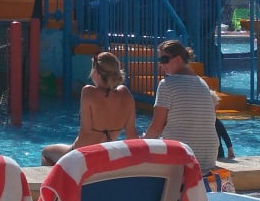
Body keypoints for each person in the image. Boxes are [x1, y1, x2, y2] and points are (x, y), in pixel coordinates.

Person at [41, 51, 138, 165]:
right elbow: (131, 133)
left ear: (97, 73)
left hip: (82, 154)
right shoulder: (125, 94)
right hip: (105, 154)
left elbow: (85, 132)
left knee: (46, 152)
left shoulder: (88, 92)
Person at [142, 39, 221, 172]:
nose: (161, 64)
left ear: (178, 59)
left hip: (182, 157)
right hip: (208, 157)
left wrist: (143, 143)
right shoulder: (202, 83)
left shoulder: (167, 84)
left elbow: (156, 127)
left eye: (164, 60)